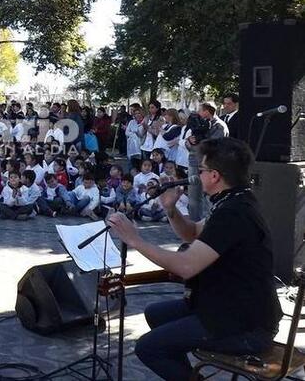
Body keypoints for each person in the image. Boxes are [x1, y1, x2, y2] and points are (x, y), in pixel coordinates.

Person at [107, 138, 282, 381]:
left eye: (200, 170)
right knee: (155, 314)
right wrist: (171, 209)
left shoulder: (233, 213)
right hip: (230, 306)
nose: (197, 175)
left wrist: (135, 240)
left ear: (214, 176)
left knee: (149, 347)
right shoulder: (234, 200)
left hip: (246, 323)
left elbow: (186, 266)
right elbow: (191, 232)